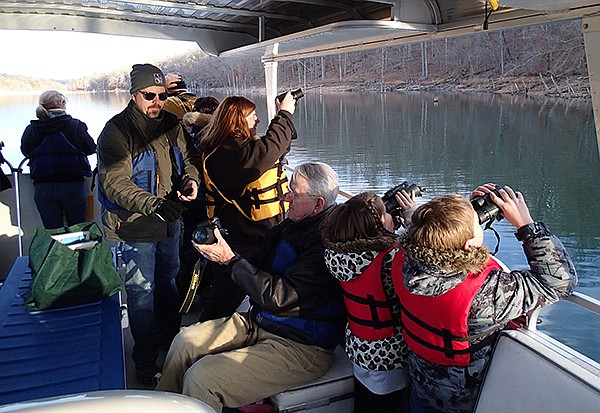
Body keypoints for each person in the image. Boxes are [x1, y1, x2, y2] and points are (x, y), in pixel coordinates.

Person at [156, 162, 346, 412]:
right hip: (262, 322)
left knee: (202, 378)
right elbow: (259, 266)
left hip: (300, 346)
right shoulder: (293, 224)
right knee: (185, 342)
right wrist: (223, 255)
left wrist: (230, 261)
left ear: (318, 204)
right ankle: (160, 406)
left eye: (294, 194)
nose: (285, 197)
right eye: (288, 189)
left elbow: (280, 296)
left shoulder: (325, 243)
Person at [393, 185, 578, 413]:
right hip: (466, 401)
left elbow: (424, 234)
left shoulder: (403, 261)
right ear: (469, 246)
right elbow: (559, 281)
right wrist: (526, 225)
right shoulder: (485, 294)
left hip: (422, 386)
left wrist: (460, 217)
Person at [96, 63, 201, 386]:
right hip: (135, 227)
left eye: (161, 95)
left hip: (170, 224)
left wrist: (191, 181)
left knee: (169, 283)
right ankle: (144, 359)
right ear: (134, 95)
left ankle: (170, 345)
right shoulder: (116, 131)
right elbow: (114, 182)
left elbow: (191, 158)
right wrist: (154, 204)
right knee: (141, 293)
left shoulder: (171, 123)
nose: (157, 101)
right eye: (149, 95)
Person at [196, 92, 298, 321]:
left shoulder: (240, 149)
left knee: (263, 294)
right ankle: (196, 347)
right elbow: (265, 153)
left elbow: (276, 147)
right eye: (253, 116)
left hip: (261, 237)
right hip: (239, 243)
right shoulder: (225, 155)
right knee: (222, 305)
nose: (258, 121)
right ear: (236, 121)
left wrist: (284, 121)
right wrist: (284, 114)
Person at [322, 190, 416, 413]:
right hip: (390, 354)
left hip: (359, 347)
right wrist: (412, 221)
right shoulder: (391, 258)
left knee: (365, 403)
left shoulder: (334, 254)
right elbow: (422, 263)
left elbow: (373, 246)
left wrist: (386, 225)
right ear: (377, 226)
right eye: (386, 213)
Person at [20, 90, 96, 229]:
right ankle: (76, 251)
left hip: (43, 186)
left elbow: (25, 151)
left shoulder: (32, 130)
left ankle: (55, 251)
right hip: (73, 185)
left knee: (52, 232)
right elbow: (91, 148)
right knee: (78, 230)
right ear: (61, 104)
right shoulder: (75, 126)